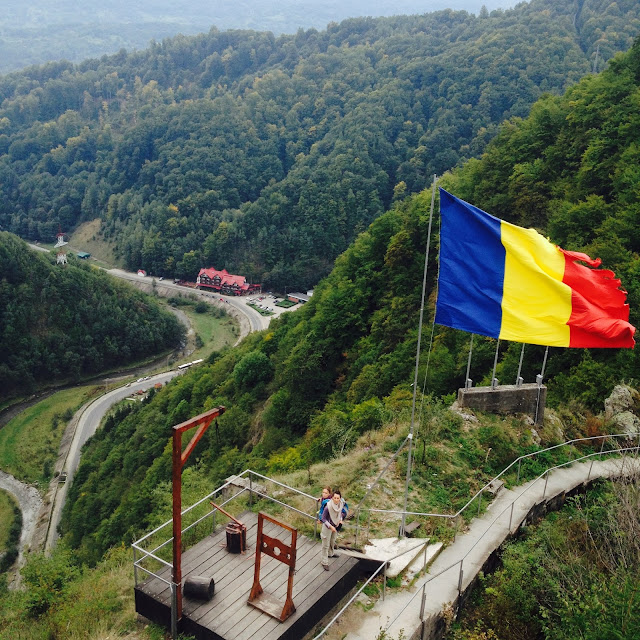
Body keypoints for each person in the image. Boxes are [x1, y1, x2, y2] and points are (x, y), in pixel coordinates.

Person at [320, 489, 345, 570]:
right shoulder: (328, 507)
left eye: (338, 498)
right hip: (328, 527)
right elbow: (323, 519)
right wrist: (330, 526)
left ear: (340, 499)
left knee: (332, 540)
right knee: (325, 544)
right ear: (332, 498)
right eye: (335, 498)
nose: (336, 500)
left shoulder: (340, 505)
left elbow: (340, 513)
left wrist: (340, 519)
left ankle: (331, 553)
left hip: (335, 525)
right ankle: (324, 562)